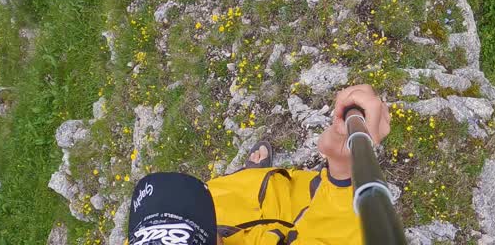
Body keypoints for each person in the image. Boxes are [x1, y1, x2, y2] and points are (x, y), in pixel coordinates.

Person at [128, 84, 392, 245]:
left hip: (241, 197)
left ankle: (253, 177)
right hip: (302, 210)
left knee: (225, 195)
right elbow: (336, 235)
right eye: (208, 235)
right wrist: (343, 169)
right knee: (303, 198)